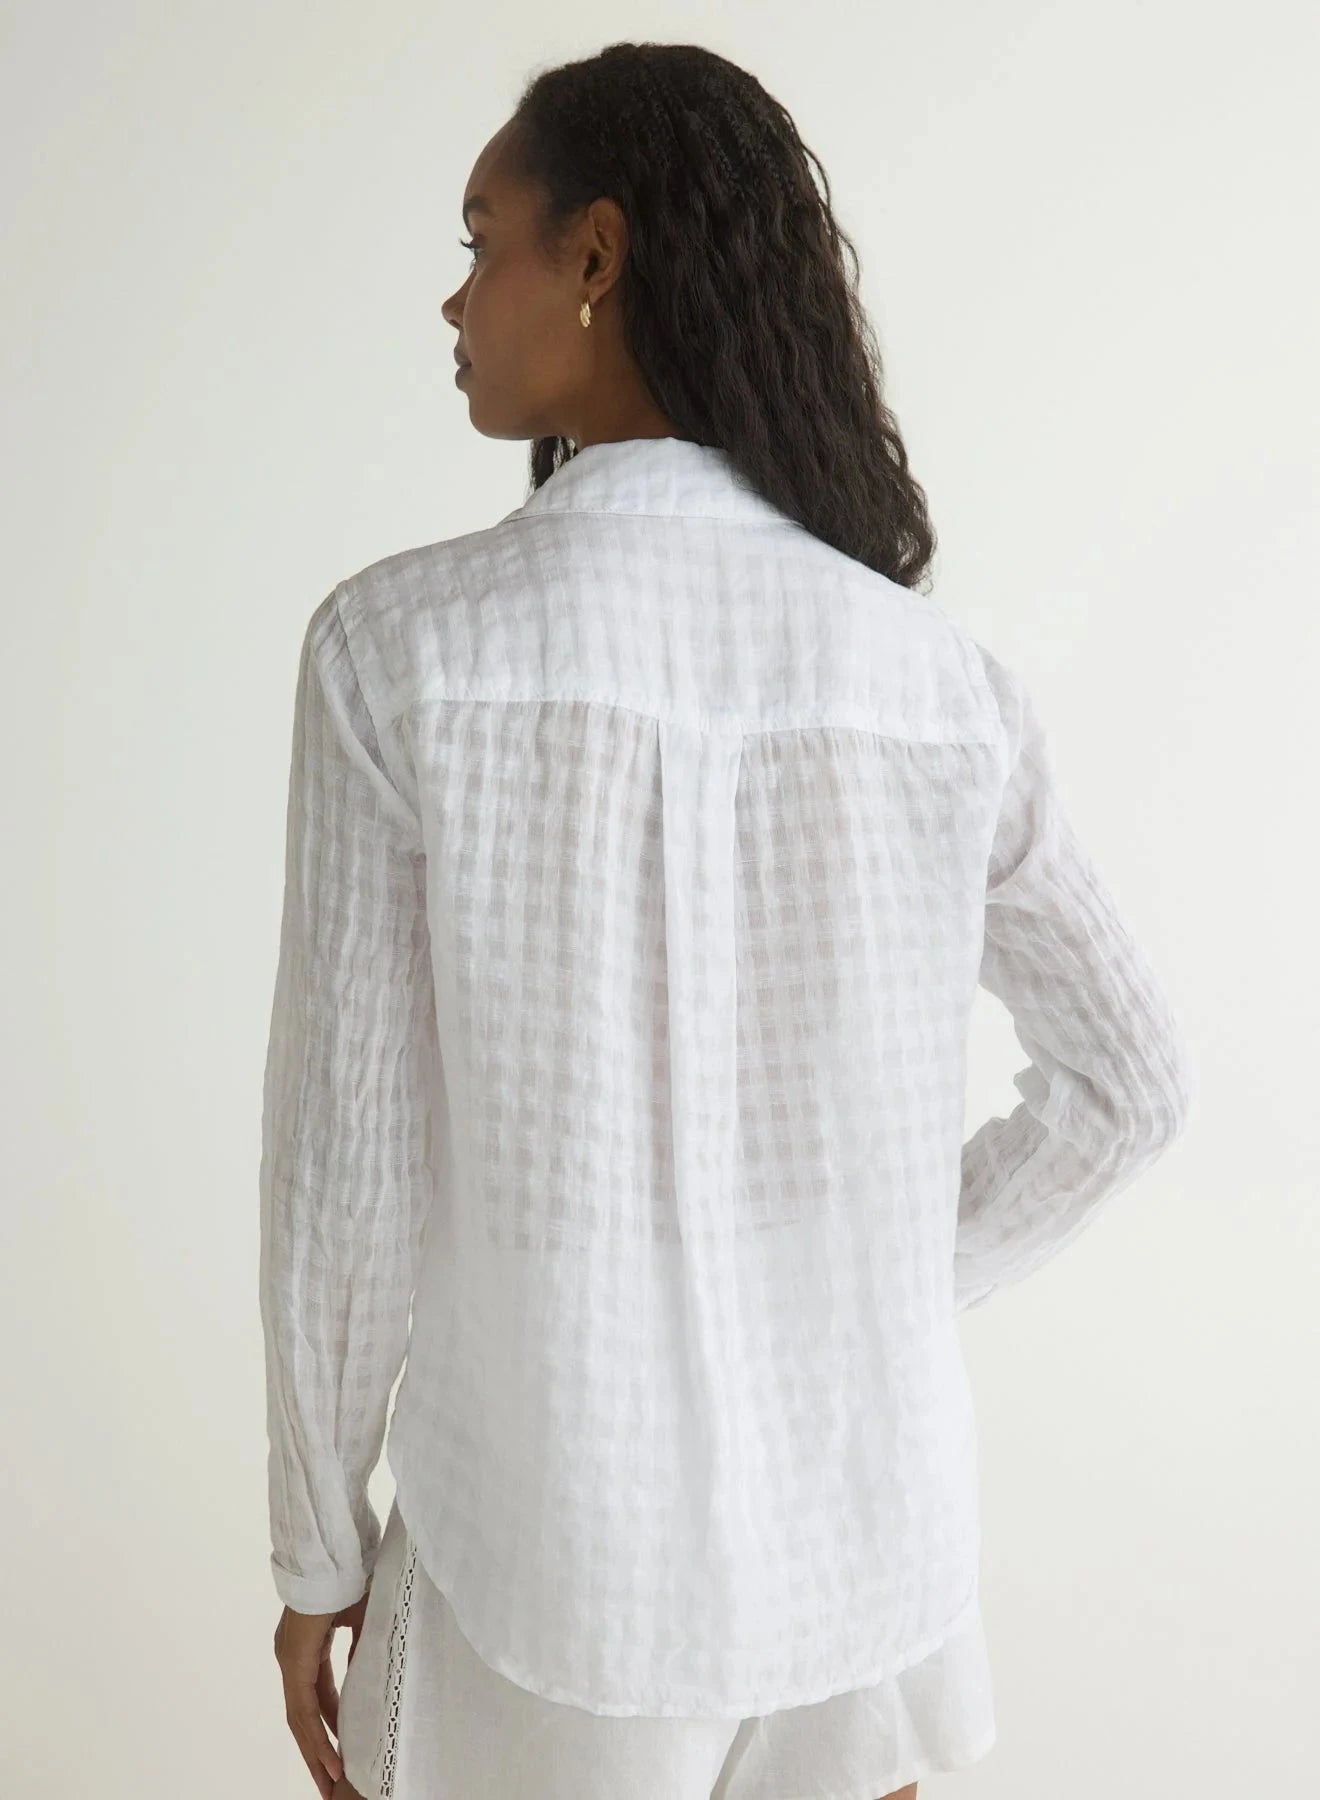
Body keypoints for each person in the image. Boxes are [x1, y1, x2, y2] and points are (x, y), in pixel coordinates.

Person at [259, 40, 1195, 1800]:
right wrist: (865, 1291)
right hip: (868, 1562)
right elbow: (1132, 1085)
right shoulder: (938, 685)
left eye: (481, 239)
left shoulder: (400, 655)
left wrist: (318, 1546)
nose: (455, 299)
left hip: (542, 1567)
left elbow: (346, 1169)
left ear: (596, 255)